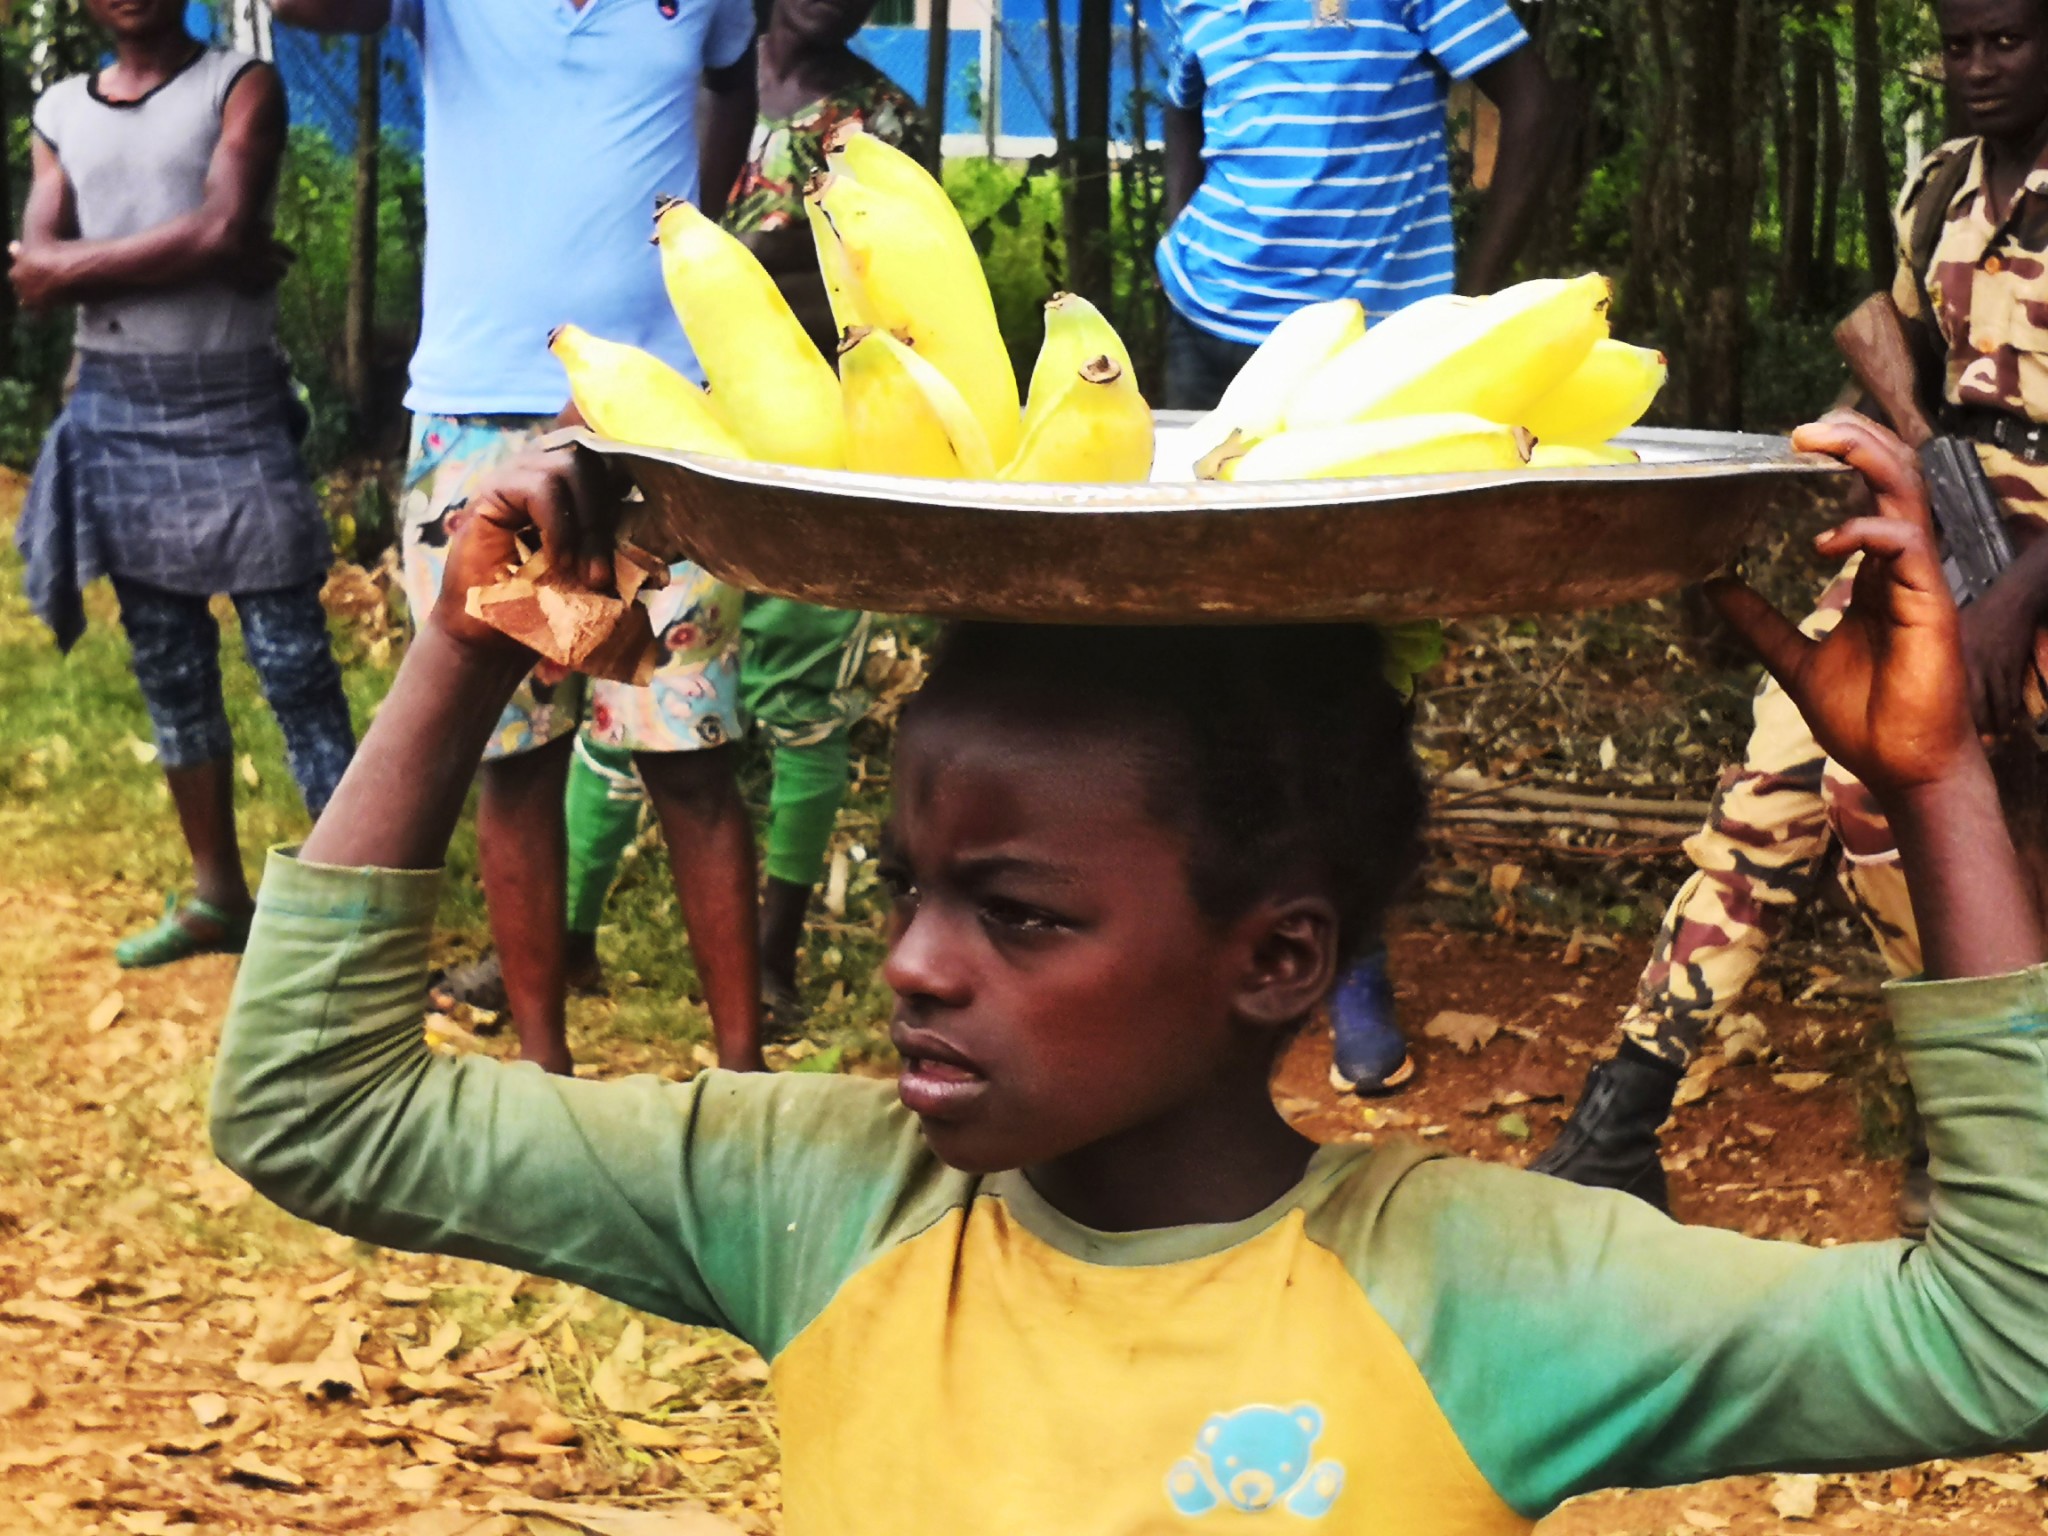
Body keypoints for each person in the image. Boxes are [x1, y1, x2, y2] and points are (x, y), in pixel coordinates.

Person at [214, 414, 2048, 1529]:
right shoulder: (817, 1202)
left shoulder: (1472, 1296)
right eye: (920, 886)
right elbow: (318, 1110)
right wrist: (472, 654)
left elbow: (2004, 1336)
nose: (915, 966)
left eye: (1016, 914)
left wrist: (1933, 782)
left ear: (1277, 960)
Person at [1532, 0, 2048, 1233]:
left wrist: (2007, 606)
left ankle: (1982, 1130)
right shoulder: (1937, 186)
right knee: (1775, 777)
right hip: (1944, 525)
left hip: (2030, 567)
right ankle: (1623, 1114)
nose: (1975, 68)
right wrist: (1784, 490)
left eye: (2006, 43)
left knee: (1924, 796)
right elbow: (1903, 365)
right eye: (1958, 43)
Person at [268, 0, 767, 1074]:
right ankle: (544, 1072)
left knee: (687, 753)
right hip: (482, 424)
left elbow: (731, 79)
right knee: (518, 755)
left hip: (657, 414)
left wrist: (692, 234)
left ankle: (742, 1076)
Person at [1157, 0, 1557, 1094]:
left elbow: (1525, 101)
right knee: (1199, 652)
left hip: (1373, 353)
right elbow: (1182, 108)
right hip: (1209, 324)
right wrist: (1181, 228)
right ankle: (1203, 947)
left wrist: (1471, 302)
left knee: (1357, 660)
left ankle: (1351, 957)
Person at [515, 0, 925, 1032]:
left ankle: (771, 957)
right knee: (600, 661)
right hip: (640, 420)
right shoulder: (667, 79)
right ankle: (564, 936)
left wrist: (723, 283)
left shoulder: (879, 119)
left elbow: (886, 283)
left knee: (790, 694)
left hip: (804, 442)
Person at [9, 0, 354, 969]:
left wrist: (89, 266)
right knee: (168, 664)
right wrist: (201, 249)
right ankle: (217, 898)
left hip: (235, 409)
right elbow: (36, 275)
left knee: (296, 667)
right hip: (115, 408)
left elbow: (221, 226)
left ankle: (350, 916)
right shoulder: (59, 112)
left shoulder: (242, 84)